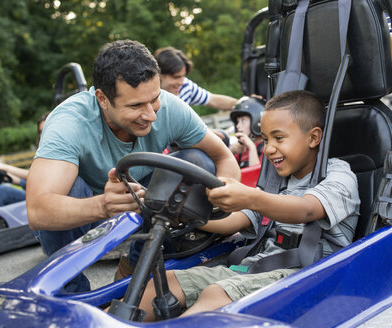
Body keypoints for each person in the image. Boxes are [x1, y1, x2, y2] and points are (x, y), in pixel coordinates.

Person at [26, 40, 240, 292]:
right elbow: (38, 210)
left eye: (154, 99)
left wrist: (225, 192)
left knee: (196, 162)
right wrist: (102, 205)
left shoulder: (171, 108)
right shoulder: (69, 122)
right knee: (66, 189)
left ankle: (137, 266)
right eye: (136, 106)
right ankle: (71, 294)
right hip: (85, 211)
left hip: (143, 199)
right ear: (102, 99)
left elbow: (224, 158)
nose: (150, 114)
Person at [137, 90, 360, 320]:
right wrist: (181, 212)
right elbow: (232, 222)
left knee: (218, 293)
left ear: (313, 138)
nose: (270, 148)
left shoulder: (339, 176)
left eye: (279, 138)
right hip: (257, 267)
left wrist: (250, 197)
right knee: (167, 281)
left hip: (309, 275)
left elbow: (307, 209)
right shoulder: (275, 182)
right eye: (265, 140)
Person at [0, 112, 50, 207]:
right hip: (31, 194)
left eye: (45, 130)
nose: (41, 135)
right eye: (40, 131)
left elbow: (33, 176)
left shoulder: (57, 154)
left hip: (43, 200)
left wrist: (0, 166)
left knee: (3, 191)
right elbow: (25, 181)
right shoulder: (42, 153)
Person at [154, 46, 237, 111]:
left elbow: (213, 100)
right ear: (160, 74)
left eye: (183, 76)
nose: (181, 82)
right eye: (176, 77)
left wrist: (245, 103)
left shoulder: (185, 86)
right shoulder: (149, 96)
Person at [229, 96, 265, 168]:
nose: (238, 126)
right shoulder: (241, 149)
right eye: (237, 122)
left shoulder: (265, 148)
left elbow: (255, 175)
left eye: (243, 120)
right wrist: (230, 152)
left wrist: (251, 148)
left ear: (257, 120)